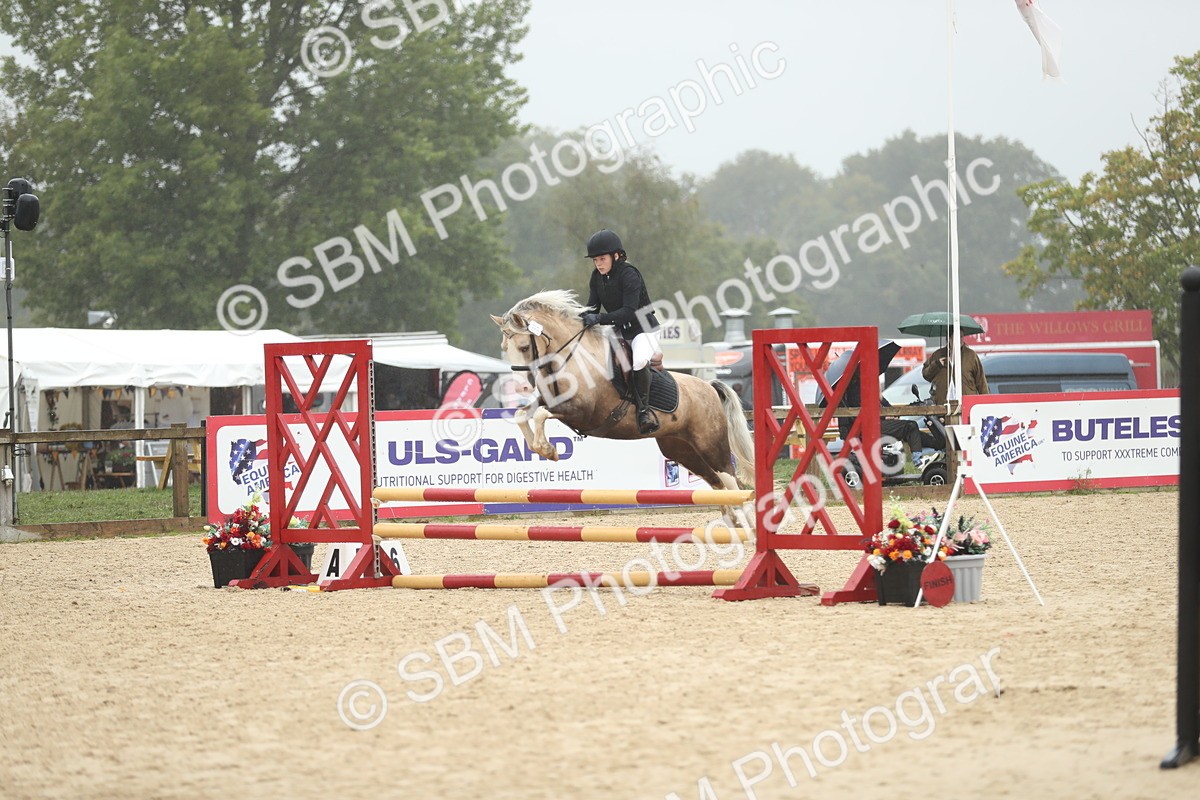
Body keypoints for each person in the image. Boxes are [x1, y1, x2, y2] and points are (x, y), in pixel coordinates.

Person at [581, 228, 663, 434]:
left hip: (644, 329)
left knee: (639, 361)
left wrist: (599, 318)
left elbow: (629, 311)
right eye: (595, 260)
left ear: (616, 256)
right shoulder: (597, 277)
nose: (598, 264)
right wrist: (578, 318)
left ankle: (644, 412)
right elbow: (592, 308)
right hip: (619, 330)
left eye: (602, 259)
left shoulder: (629, 274)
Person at [922, 340, 989, 405]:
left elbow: (981, 382)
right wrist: (936, 364)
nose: (960, 339)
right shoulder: (938, 354)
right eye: (957, 336)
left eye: (961, 336)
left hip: (966, 406)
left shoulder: (971, 355)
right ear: (949, 338)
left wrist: (986, 403)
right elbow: (926, 375)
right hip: (942, 405)